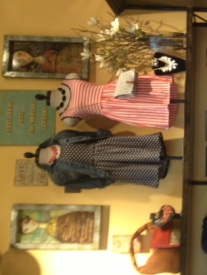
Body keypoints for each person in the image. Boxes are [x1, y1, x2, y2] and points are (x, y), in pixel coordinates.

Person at [24, 128, 179, 190]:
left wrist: (100, 135)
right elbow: (83, 183)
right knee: (133, 168)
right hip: (102, 168)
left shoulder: (60, 137)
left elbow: (85, 134)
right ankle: (158, 169)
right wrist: (101, 182)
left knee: (136, 151)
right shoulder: (58, 178)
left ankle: (159, 153)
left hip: (103, 147)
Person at [35, 71, 178, 129]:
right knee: (146, 105)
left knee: (150, 95)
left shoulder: (70, 80)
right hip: (113, 104)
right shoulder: (67, 116)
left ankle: (169, 99)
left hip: (113, 97)